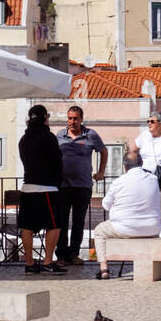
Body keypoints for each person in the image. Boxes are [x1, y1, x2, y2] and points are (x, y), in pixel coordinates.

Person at [91, 157, 161, 280]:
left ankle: (103, 268)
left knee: (99, 231)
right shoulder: (153, 179)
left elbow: (105, 205)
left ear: (125, 166)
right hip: (152, 229)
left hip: (125, 228)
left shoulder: (119, 181)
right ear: (141, 163)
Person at [17, 105, 68, 274]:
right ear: (45, 118)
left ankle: (30, 263)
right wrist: (58, 181)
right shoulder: (48, 137)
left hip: (27, 187)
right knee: (54, 225)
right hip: (47, 188)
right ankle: (47, 261)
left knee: (27, 227)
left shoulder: (23, 140)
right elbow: (57, 162)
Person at [54, 104, 107, 265]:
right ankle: (61, 256)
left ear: (81, 119)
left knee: (78, 221)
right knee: (61, 221)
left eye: (75, 118)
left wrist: (101, 172)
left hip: (83, 186)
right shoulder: (60, 135)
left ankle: (74, 254)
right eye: (70, 118)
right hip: (62, 185)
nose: (72, 121)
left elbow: (103, 151)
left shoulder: (90, 135)